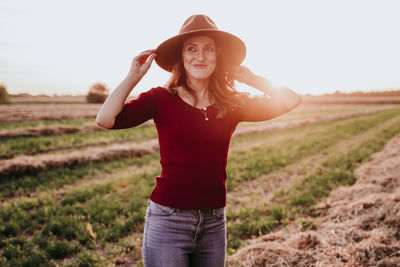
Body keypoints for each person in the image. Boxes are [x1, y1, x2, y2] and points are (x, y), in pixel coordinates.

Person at [96, 14, 301, 267]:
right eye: (191, 49)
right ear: (181, 57)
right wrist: (133, 77)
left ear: (219, 56)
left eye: (209, 49)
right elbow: (105, 119)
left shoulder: (232, 104)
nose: (200, 57)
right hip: (168, 221)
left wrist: (251, 79)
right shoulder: (160, 99)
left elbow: (291, 101)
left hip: (214, 222)